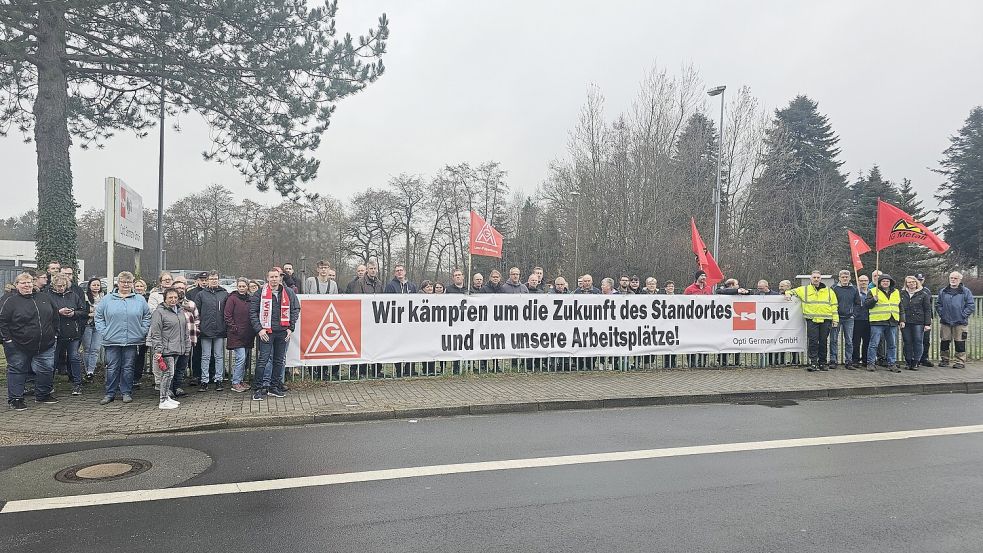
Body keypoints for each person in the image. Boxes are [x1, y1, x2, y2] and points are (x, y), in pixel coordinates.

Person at [1, 272, 59, 410]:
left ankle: (43, 395)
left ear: (33, 284)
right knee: (17, 370)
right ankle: (15, 399)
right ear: (17, 285)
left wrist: (55, 334)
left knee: (46, 369)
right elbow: (2, 321)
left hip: (46, 344)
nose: (27, 285)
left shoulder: (44, 297)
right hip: (18, 345)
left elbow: (55, 316)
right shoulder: (10, 301)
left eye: (29, 282)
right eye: (23, 283)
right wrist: (8, 340)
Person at [95, 271, 151, 404]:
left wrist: (142, 331)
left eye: (129, 282)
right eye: (123, 282)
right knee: (112, 367)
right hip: (111, 340)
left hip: (132, 339)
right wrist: (104, 331)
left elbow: (147, 316)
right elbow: (98, 316)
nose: (126, 284)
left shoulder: (140, 299)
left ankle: (126, 392)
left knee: (128, 367)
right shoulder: (107, 299)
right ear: (118, 283)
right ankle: (110, 393)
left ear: (132, 283)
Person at [251, 269, 300, 400]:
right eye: (271, 277)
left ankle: (274, 387)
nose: (274, 279)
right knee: (263, 361)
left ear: (280, 278)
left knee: (279, 361)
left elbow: (296, 309)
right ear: (267, 278)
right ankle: (257, 389)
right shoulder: (260, 293)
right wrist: (260, 330)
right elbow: (253, 312)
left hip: (283, 332)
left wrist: (291, 327)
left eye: (276, 277)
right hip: (266, 332)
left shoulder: (288, 292)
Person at [787, 270, 839, 371]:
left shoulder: (829, 291)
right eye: (814, 277)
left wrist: (835, 320)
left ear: (821, 279)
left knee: (823, 342)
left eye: (818, 277)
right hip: (812, 320)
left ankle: (822, 363)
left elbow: (834, 306)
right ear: (810, 279)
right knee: (813, 342)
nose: (816, 279)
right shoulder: (804, 290)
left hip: (826, 320)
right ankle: (813, 363)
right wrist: (788, 294)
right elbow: (791, 291)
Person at [148, 288, 190, 410]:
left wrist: (186, 346)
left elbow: (185, 330)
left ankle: (167, 397)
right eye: (170, 297)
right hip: (166, 349)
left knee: (170, 374)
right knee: (167, 374)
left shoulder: (180, 311)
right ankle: (163, 400)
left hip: (177, 348)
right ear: (165, 298)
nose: (173, 300)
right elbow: (156, 333)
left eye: (175, 298)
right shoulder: (159, 312)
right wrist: (158, 349)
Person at [47, 274, 87, 395]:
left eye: (64, 285)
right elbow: (45, 312)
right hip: (56, 333)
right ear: (54, 285)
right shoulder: (48, 296)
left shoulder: (73, 295)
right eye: (59, 286)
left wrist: (74, 313)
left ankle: (77, 384)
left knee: (74, 357)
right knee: (52, 360)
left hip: (72, 332)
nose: (61, 288)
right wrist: (58, 312)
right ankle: (48, 385)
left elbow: (83, 311)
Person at [197, 271, 230, 391]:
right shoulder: (201, 294)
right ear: (208, 280)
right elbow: (197, 312)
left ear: (218, 280)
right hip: (205, 330)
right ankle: (204, 380)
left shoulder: (224, 294)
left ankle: (219, 379)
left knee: (219, 356)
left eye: (215, 278)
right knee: (205, 356)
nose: (214, 280)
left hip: (220, 329)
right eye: (211, 279)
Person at [936, 271, 974, 369]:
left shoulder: (966, 291)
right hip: (945, 321)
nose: (953, 280)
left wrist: (963, 315)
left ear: (960, 280)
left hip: (960, 322)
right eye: (951, 278)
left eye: (955, 278)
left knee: (960, 342)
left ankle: (960, 361)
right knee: (944, 341)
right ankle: (944, 359)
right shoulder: (943, 291)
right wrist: (942, 314)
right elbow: (938, 304)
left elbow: (970, 306)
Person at [864, 274, 902, 372]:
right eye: (883, 281)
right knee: (874, 344)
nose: (885, 283)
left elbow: (900, 307)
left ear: (890, 282)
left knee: (892, 345)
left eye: (887, 281)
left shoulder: (896, 292)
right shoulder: (872, 291)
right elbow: (867, 305)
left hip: (892, 321)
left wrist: (902, 320)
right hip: (878, 321)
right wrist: (874, 300)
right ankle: (871, 363)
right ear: (880, 283)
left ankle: (892, 363)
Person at [224, 278, 256, 392]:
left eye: (244, 286)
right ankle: (235, 381)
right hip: (236, 334)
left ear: (247, 287)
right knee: (240, 358)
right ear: (237, 287)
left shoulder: (250, 299)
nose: (242, 288)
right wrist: (234, 327)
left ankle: (241, 380)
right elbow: (227, 315)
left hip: (248, 333)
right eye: (240, 286)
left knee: (245, 359)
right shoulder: (232, 299)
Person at [170, 277, 198, 398]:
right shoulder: (168, 304)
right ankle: (169, 388)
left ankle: (178, 387)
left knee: (182, 366)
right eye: (177, 288)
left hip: (188, 341)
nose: (180, 290)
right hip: (172, 341)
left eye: (182, 287)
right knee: (171, 367)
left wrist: (196, 332)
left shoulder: (190, 304)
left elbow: (197, 320)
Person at [828, 270, 861, 369]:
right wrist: (833, 315)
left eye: (846, 277)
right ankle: (833, 360)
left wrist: (854, 314)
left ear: (850, 278)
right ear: (839, 278)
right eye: (843, 277)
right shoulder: (834, 288)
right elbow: (829, 302)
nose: (845, 278)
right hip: (836, 318)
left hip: (849, 318)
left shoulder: (854, 289)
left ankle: (849, 361)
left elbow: (858, 303)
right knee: (833, 340)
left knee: (849, 341)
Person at [900, 275, 932, 371]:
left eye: (913, 282)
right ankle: (908, 360)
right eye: (909, 282)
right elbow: (899, 308)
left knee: (918, 341)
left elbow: (927, 309)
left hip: (919, 321)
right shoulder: (901, 294)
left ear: (916, 283)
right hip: (906, 321)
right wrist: (900, 320)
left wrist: (927, 323)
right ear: (906, 284)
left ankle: (916, 361)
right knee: (907, 341)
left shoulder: (923, 294)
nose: (911, 284)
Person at [81, 277, 105, 381]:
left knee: (95, 349)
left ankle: (91, 371)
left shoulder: (103, 297)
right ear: (89, 286)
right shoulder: (85, 297)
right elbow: (82, 311)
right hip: (88, 324)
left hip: (98, 325)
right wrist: (90, 314)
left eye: (98, 285)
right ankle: (87, 371)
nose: (96, 287)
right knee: (87, 349)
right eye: (94, 285)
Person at [914, 273, 934, 367]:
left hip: (925, 319)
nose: (919, 281)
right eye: (918, 279)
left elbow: (929, 307)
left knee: (926, 340)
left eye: (921, 280)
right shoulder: (910, 290)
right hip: (915, 319)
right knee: (915, 340)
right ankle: (914, 359)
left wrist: (930, 318)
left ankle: (924, 358)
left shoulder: (926, 291)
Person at [852, 275, 871, 368]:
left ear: (868, 281)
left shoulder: (871, 292)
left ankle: (865, 359)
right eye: (861, 281)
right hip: (857, 320)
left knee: (867, 341)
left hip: (869, 320)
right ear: (858, 281)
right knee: (856, 341)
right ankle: (855, 359)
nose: (863, 282)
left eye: (865, 280)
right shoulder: (855, 292)